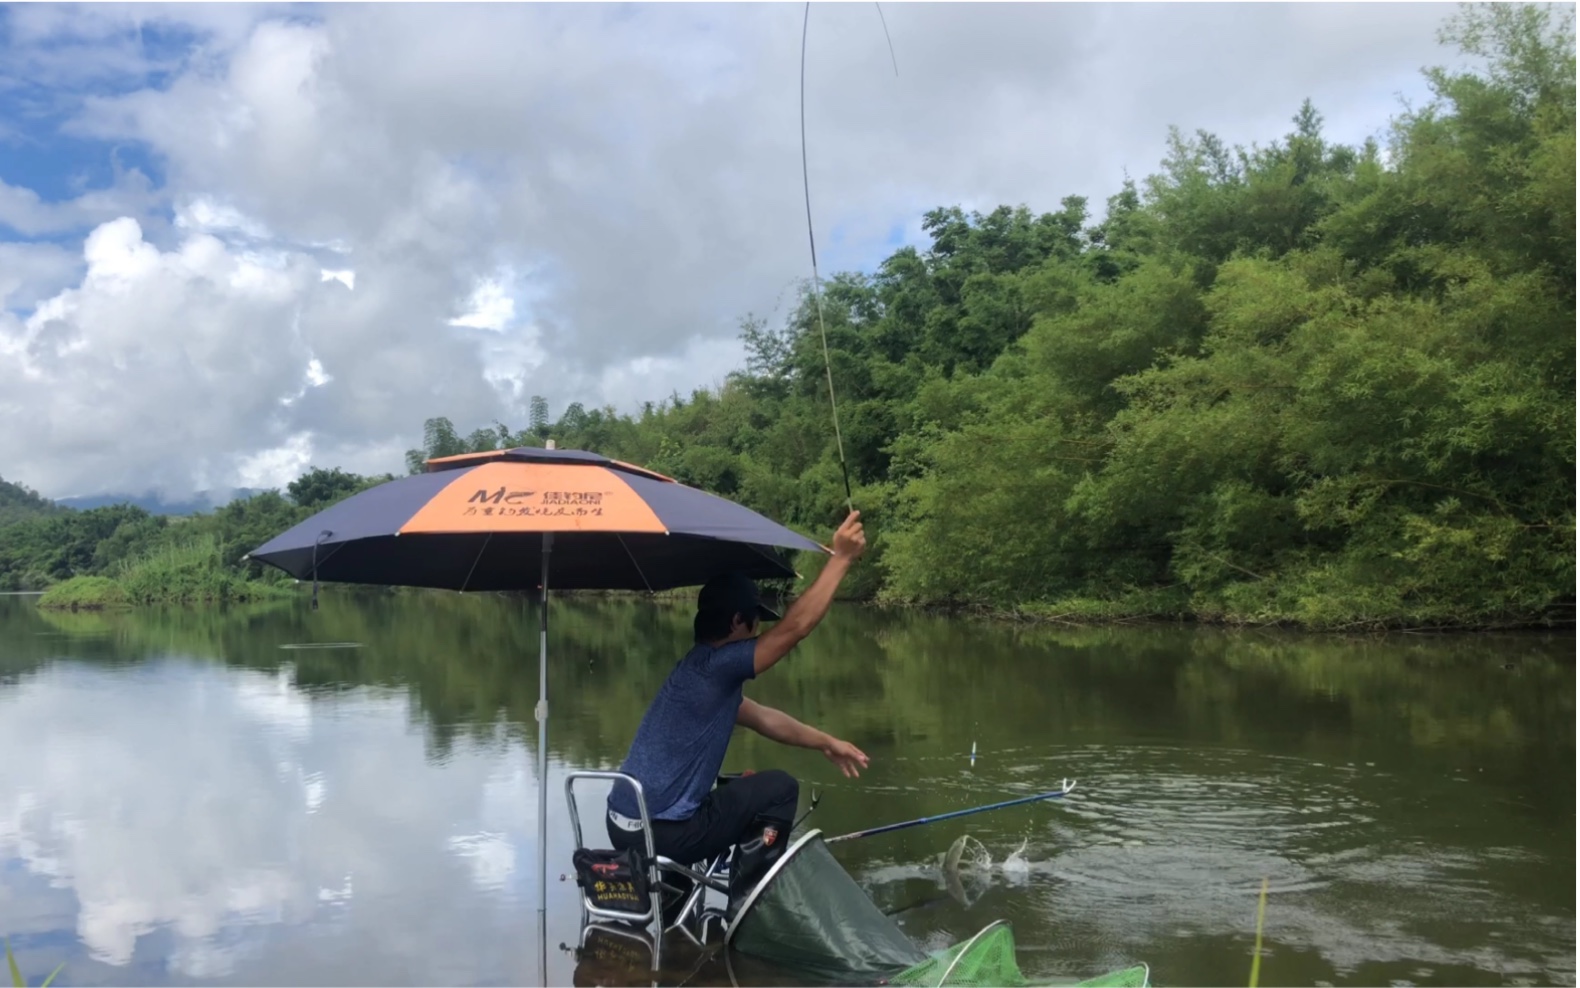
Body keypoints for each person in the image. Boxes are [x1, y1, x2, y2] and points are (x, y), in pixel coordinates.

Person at [605, 509, 870, 907]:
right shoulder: (718, 667)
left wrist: (826, 742)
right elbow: (795, 630)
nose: (759, 633)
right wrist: (841, 558)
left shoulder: (698, 673)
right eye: (754, 623)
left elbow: (764, 718)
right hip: (662, 833)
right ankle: (750, 906)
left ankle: (676, 895)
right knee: (780, 789)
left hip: (622, 826)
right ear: (736, 622)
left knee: (737, 786)